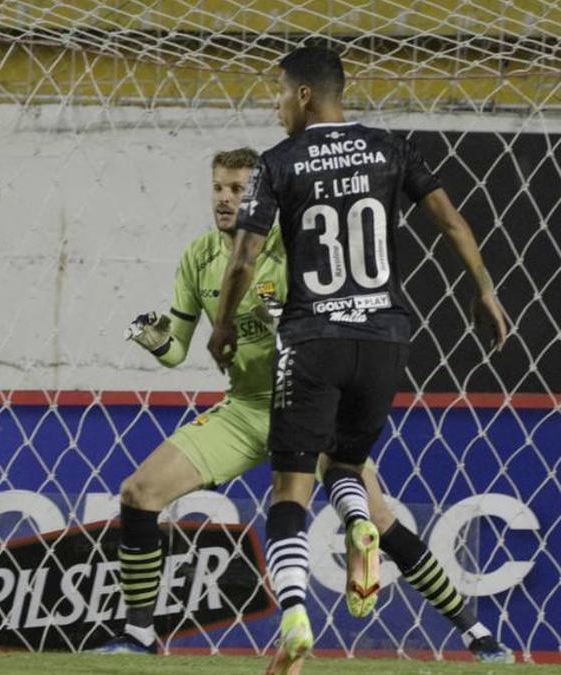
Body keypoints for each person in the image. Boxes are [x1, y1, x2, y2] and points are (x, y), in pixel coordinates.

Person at [103, 148, 513, 665]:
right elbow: (179, 350)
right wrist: (154, 338)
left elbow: (333, 330)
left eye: (238, 189)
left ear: (261, 195)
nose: (226, 199)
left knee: (382, 521)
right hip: (246, 408)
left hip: (310, 402)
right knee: (139, 492)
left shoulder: (298, 247)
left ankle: (477, 633)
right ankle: (139, 635)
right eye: (219, 188)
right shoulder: (199, 257)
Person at [207, 47, 509, 673]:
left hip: (312, 340)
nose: (276, 103)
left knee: (289, 491)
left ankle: (293, 618)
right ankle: (359, 526)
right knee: (347, 466)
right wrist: (483, 287)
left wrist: (222, 328)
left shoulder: (279, 162)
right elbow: (451, 219)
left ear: (306, 97)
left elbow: (243, 260)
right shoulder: (389, 147)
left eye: (280, 91)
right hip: (384, 339)